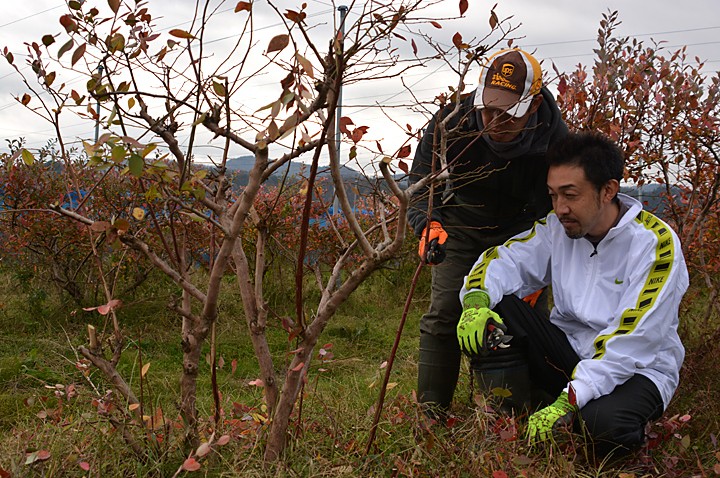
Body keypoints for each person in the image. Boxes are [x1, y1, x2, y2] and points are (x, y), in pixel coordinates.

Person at [457, 132, 689, 457]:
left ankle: (590, 418)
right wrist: (475, 301)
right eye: (553, 195)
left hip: (636, 368)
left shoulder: (654, 245)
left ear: (607, 190)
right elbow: (503, 261)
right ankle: (507, 423)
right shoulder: (557, 228)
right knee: (494, 306)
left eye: (570, 194)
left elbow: (631, 343)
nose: (560, 208)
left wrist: (570, 399)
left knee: (602, 427)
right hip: (569, 352)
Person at [407, 48, 568, 414]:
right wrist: (427, 223)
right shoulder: (452, 120)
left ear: (533, 104)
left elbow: (555, 210)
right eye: (488, 109)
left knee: (526, 320)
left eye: (507, 114)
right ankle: (432, 416)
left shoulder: (555, 139)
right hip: (461, 224)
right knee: (445, 313)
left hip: (521, 231)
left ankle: (529, 412)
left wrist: (539, 276)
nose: (495, 121)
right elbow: (420, 181)